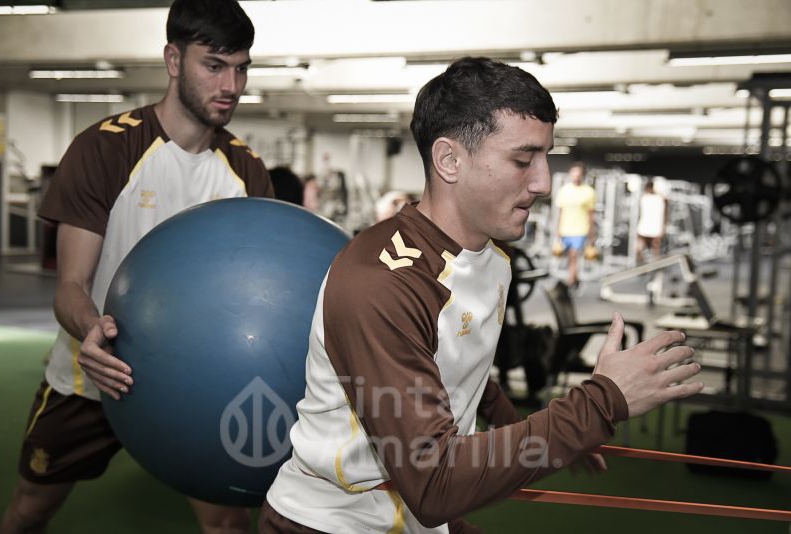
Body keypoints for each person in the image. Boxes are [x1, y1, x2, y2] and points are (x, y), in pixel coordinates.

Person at [259, 57, 703, 533]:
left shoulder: (493, 257)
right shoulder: (383, 283)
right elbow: (435, 486)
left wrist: (544, 430)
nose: (544, 182)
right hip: (333, 522)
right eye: (522, 159)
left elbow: (456, 367)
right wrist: (596, 406)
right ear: (449, 160)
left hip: (414, 516)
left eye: (546, 157)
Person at [0, 1, 274, 533]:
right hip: (96, 375)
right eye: (213, 65)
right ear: (173, 59)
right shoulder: (105, 150)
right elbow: (72, 287)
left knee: (228, 522)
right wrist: (91, 332)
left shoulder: (245, 171)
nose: (232, 85)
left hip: (198, 384)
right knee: (30, 509)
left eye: (241, 67)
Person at [555, 161, 596, 288]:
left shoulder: (589, 192)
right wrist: (558, 230)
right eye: (574, 173)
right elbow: (560, 212)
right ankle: (575, 277)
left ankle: (570, 281)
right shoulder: (564, 190)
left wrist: (591, 234)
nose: (576, 176)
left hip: (580, 229)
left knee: (574, 255)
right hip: (565, 229)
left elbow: (590, 215)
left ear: (582, 175)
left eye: (578, 174)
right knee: (569, 257)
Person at [636, 179, 668, 263]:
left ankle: (654, 267)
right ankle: (643, 265)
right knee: (640, 248)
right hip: (646, 226)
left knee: (655, 248)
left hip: (654, 226)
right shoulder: (646, 198)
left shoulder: (657, 199)